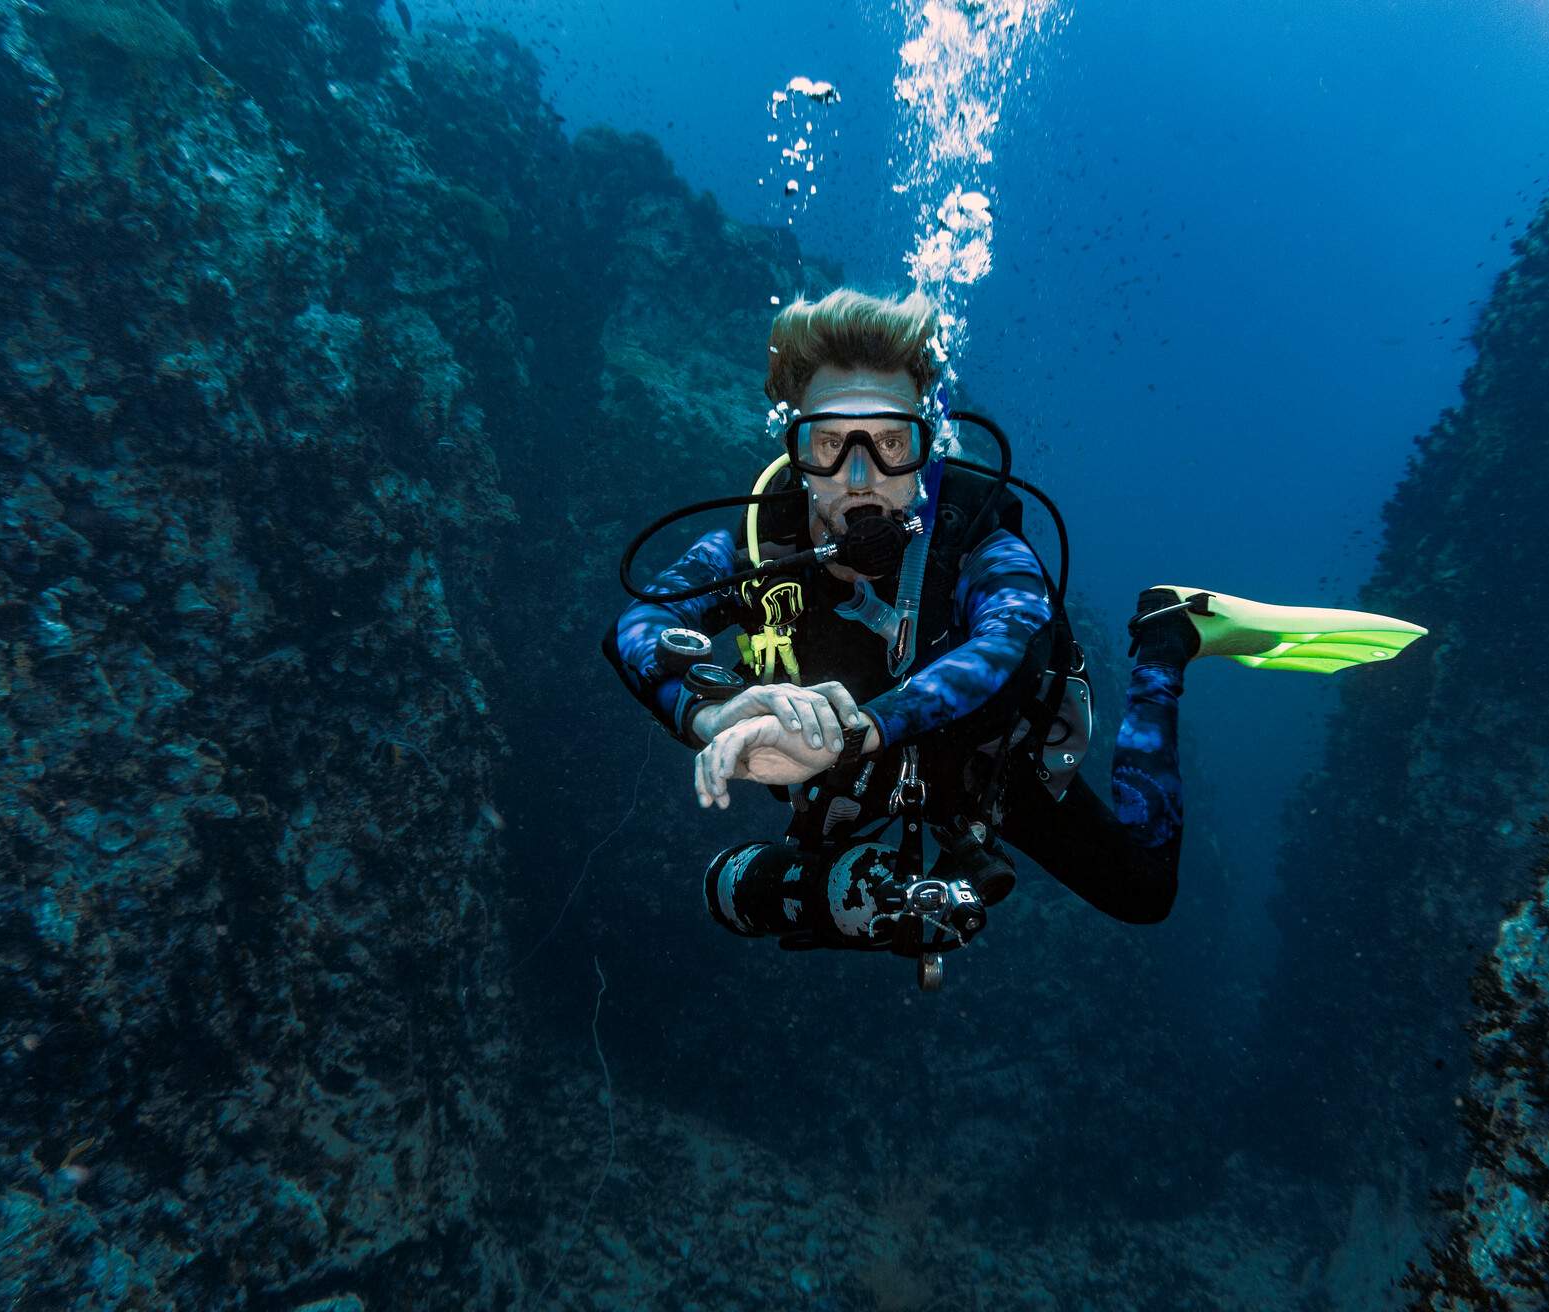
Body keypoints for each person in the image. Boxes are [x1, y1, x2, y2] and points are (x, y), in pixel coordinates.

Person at [604, 288, 1424, 977]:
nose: (860, 480)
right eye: (829, 447)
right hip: (849, 772)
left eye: (891, 445)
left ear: (927, 443)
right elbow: (639, 622)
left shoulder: (975, 537)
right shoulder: (760, 547)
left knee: (1144, 891)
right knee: (769, 896)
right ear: (798, 449)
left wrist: (863, 728)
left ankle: (1171, 636)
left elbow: (1008, 639)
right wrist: (712, 711)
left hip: (984, 760)